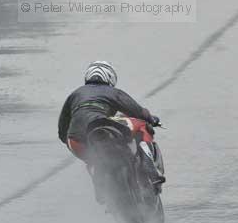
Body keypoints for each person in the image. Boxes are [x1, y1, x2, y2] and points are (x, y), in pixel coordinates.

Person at [58, 60, 164, 202]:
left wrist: (72, 141)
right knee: (141, 125)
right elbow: (137, 111)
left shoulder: (74, 95)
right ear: (110, 77)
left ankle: (100, 183)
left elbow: (62, 129)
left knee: (92, 161)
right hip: (103, 127)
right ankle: (148, 163)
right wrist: (151, 118)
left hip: (77, 140)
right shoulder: (112, 92)